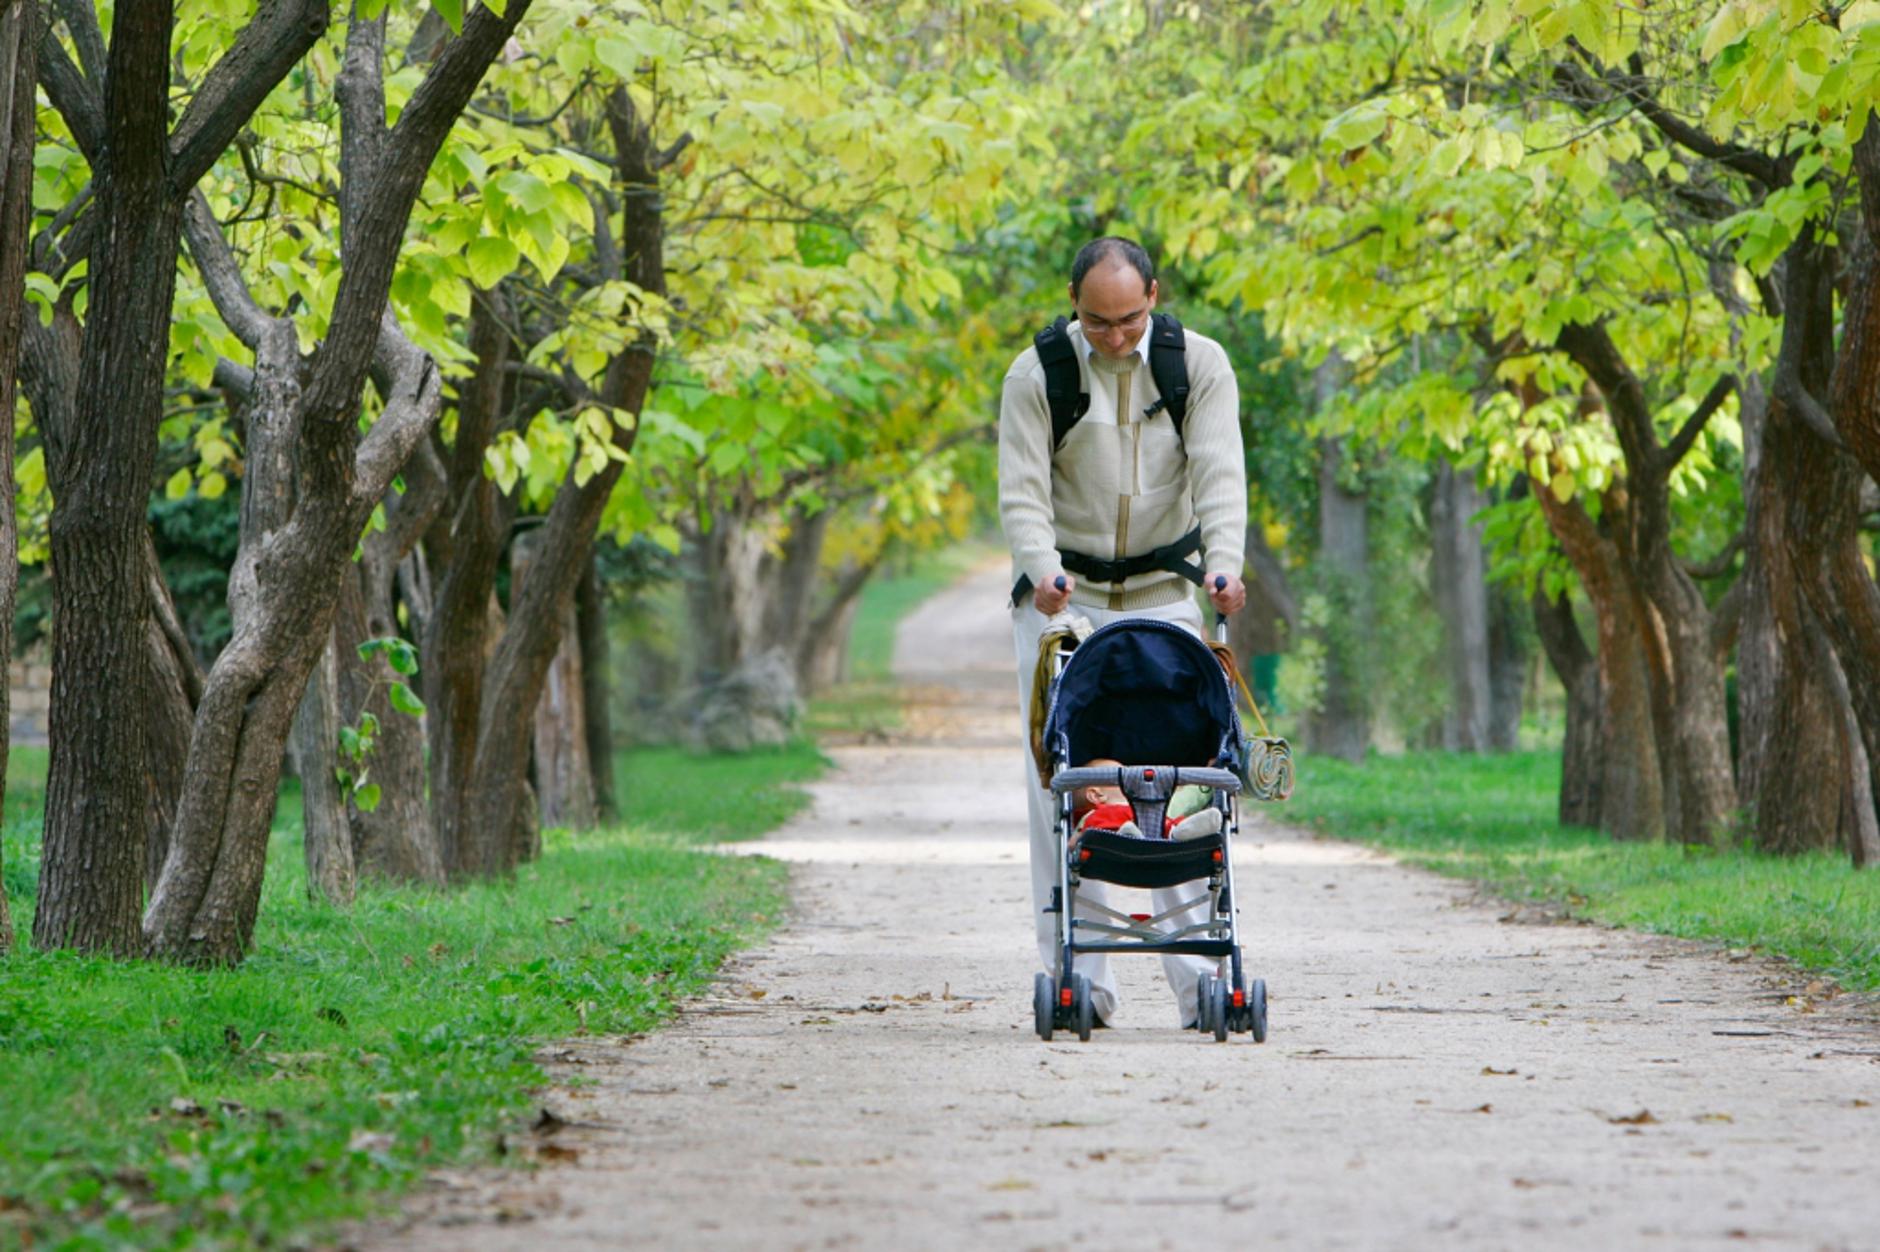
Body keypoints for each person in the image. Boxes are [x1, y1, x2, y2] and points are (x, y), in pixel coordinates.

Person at [1000, 236, 1246, 1029]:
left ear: (1154, 296)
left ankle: (1198, 980)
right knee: (1062, 781)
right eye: (1098, 322)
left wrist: (1225, 567)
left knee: (1177, 781)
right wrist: (1041, 571)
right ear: (1073, 302)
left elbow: (1219, 472)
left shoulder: (1195, 364)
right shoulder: (1038, 372)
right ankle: (1081, 981)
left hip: (1163, 593)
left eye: (1130, 320)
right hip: (1060, 602)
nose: (1115, 338)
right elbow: (1023, 491)